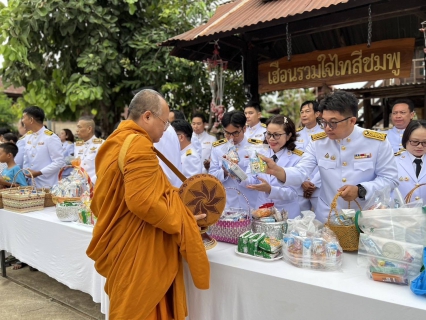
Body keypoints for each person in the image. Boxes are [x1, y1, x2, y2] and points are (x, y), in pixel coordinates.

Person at [86, 89, 209, 320]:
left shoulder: (115, 140)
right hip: (140, 242)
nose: (165, 129)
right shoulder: (138, 145)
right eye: (164, 122)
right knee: (145, 308)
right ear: (148, 116)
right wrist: (183, 220)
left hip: (127, 236)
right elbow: (142, 202)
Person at [261, 91, 399, 222]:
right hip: (328, 216)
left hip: (365, 216)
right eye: (323, 122)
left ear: (351, 121)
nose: (326, 128)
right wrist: (278, 171)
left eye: (333, 122)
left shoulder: (376, 142)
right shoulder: (318, 142)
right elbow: (301, 171)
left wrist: (361, 190)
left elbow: (390, 179)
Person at [241, 115, 302, 218]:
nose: (271, 139)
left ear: (288, 135)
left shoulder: (297, 158)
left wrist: (270, 189)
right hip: (262, 211)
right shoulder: (259, 152)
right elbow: (252, 179)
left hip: (286, 213)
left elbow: (293, 192)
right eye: (268, 134)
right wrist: (237, 173)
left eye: (276, 135)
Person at [209, 110, 259, 209]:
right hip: (228, 204)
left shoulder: (255, 147)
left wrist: (237, 172)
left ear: (244, 129)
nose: (231, 137)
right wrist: (224, 172)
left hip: (250, 203)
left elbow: (258, 178)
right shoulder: (218, 148)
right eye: (227, 133)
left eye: (235, 133)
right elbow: (212, 177)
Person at [15, 106, 65, 188]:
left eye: (24, 118)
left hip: (47, 185)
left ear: (31, 120)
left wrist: (39, 172)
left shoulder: (50, 137)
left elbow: (59, 162)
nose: (22, 120)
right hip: (31, 184)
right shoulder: (28, 136)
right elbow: (26, 158)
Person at [296, 100, 323, 211]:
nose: (304, 114)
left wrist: (314, 183)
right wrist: (302, 181)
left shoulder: (325, 134)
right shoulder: (295, 135)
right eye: (302, 112)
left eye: (307, 111)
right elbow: (293, 160)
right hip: (300, 185)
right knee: (299, 221)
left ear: (317, 114)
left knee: (322, 221)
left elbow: (327, 161)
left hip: (320, 185)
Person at [395, 120, 426, 202]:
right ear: (406, 140)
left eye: (425, 142)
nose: (420, 146)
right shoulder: (393, 162)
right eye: (415, 142)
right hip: (401, 212)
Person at [74, 117, 104, 184]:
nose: (77, 130)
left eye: (79, 127)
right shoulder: (77, 145)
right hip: (78, 185)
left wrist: (91, 182)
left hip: (94, 185)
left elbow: (103, 168)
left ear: (89, 129)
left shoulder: (101, 144)